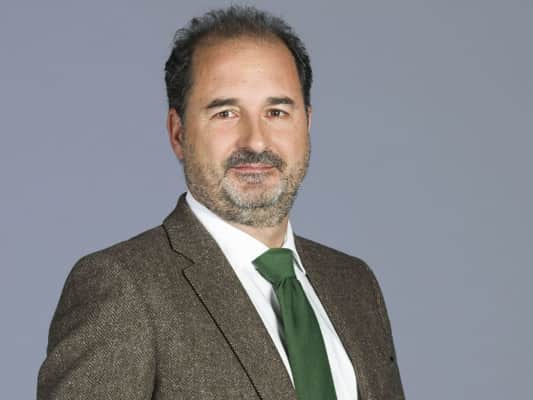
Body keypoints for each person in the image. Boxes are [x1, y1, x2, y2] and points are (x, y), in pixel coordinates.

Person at [37, 6, 404, 400]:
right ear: (178, 133)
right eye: (226, 113)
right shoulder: (124, 287)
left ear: (307, 124)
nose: (256, 141)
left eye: (277, 112)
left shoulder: (354, 284)